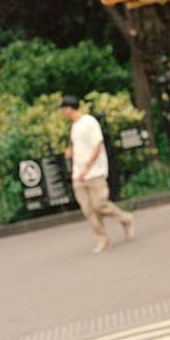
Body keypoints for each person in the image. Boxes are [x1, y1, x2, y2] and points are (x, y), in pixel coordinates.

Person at [59, 96, 135, 254]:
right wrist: (70, 152)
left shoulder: (89, 122)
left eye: (62, 109)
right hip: (78, 174)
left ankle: (125, 219)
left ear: (68, 108)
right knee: (88, 210)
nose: (62, 112)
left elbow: (97, 146)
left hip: (94, 172)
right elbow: (74, 145)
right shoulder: (73, 126)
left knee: (99, 204)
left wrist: (87, 167)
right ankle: (102, 239)